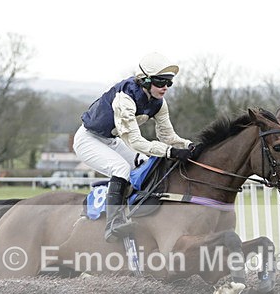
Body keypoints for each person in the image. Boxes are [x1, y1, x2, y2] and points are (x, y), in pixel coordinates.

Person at [73, 52, 194, 242]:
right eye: (160, 82)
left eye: (169, 83)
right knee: (120, 168)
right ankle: (113, 224)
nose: (165, 88)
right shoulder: (125, 99)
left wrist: (189, 145)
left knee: (146, 165)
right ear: (145, 81)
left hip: (111, 139)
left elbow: (167, 136)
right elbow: (135, 142)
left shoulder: (159, 103)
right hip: (88, 139)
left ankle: (143, 214)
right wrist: (169, 151)